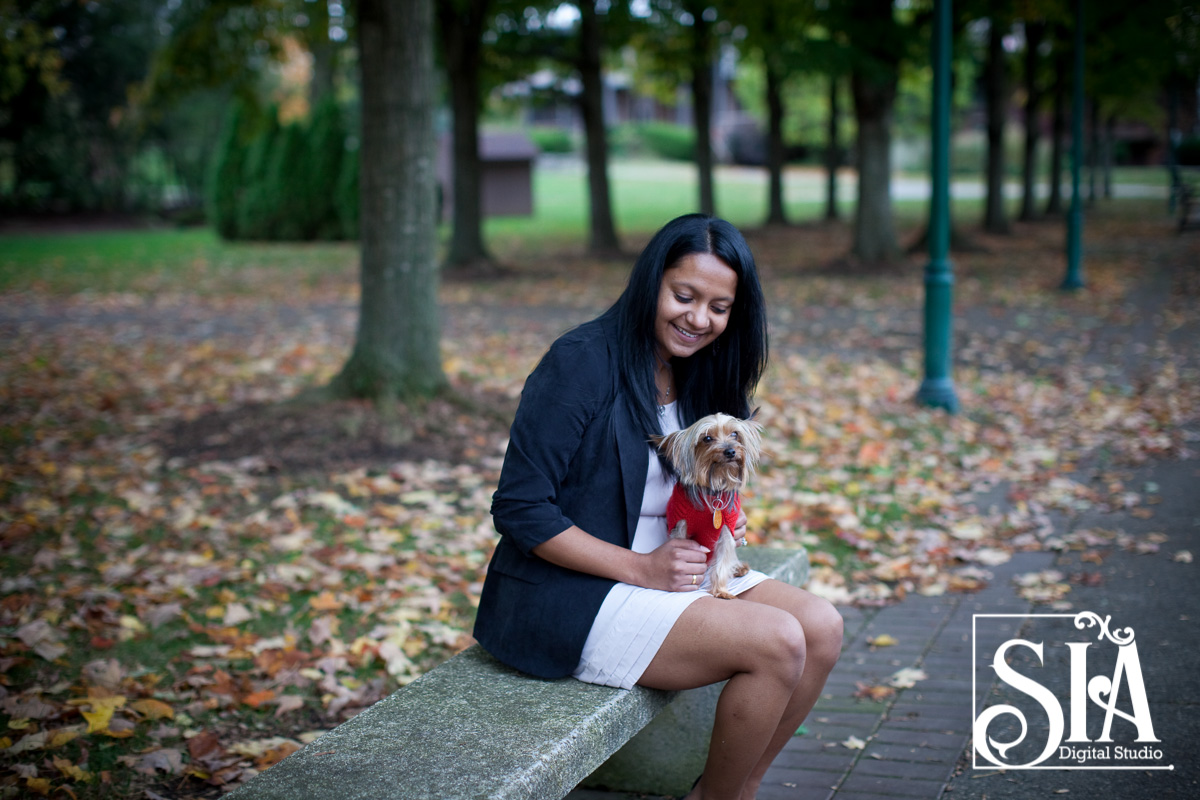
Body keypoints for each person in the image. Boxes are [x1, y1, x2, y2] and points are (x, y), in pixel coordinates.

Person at [473, 213, 843, 800]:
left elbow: (702, 469)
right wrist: (640, 569)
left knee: (822, 626)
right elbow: (520, 507)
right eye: (684, 296)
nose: (699, 319)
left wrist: (720, 508)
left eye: (719, 308)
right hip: (576, 591)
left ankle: (736, 788)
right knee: (778, 641)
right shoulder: (581, 362)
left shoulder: (702, 369)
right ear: (652, 282)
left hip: (677, 569)